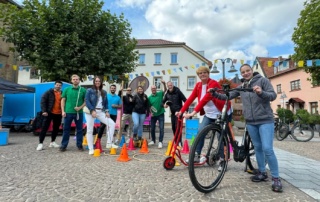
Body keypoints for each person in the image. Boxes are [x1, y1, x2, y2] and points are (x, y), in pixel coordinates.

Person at [209, 64, 282, 192]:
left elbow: (273, 95)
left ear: (252, 71)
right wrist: (214, 93)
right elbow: (228, 96)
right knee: (258, 148)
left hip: (265, 120)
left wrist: (261, 92)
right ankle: (262, 172)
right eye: (243, 72)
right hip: (250, 122)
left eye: (247, 71)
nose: (245, 73)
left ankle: (276, 178)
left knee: (267, 149)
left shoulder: (262, 80)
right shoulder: (242, 87)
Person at [176, 66, 227, 170]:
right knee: (200, 133)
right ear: (198, 75)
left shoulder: (213, 84)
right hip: (209, 115)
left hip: (220, 113)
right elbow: (190, 99)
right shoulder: (198, 85)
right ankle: (196, 156)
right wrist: (181, 111)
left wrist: (192, 113)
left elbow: (204, 100)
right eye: (200, 73)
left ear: (208, 73)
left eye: (205, 72)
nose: (202, 74)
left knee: (220, 136)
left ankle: (223, 160)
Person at [84, 76, 116, 154]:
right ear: (94, 82)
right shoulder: (89, 90)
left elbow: (105, 103)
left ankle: (109, 143)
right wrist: (92, 110)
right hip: (91, 112)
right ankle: (91, 148)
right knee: (90, 130)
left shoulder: (104, 92)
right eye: (96, 81)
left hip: (100, 111)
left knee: (112, 124)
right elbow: (87, 101)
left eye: (99, 81)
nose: (97, 82)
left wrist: (107, 111)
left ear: (101, 82)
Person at [60, 74, 86, 152]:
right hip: (68, 112)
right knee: (66, 129)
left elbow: (86, 101)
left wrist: (80, 108)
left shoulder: (83, 90)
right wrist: (63, 111)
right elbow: (63, 100)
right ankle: (63, 145)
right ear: (71, 80)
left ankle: (79, 145)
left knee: (79, 130)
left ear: (79, 80)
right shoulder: (67, 89)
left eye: (77, 79)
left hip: (79, 113)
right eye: (74, 79)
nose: (75, 80)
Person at [36, 81, 63, 151]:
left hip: (58, 113)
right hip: (49, 113)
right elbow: (43, 101)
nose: (58, 86)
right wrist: (44, 111)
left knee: (56, 128)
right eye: (57, 85)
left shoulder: (62, 93)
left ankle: (52, 142)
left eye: (60, 85)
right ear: (54, 85)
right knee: (44, 128)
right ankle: (40, 143)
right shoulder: (48, 92)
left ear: (61, 86)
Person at [162, 81, 187, 146]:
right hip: (173, 113)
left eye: (171, 85)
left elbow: (185, 100)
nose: (170, 87)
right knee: (173, 127)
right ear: (167, 86)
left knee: (178, 127)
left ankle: (179, 142)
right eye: (168, 86)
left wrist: (185, 110)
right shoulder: (167, 93)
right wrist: (164, 105)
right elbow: (162, 102)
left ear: (173, 85)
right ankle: (176, 142)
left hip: (179, 112)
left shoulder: (178, 91)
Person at [148, 80, 167, 148]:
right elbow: (149, 106)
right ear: (151, 90)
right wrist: (150, 113)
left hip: (161, 114)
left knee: (161, 128)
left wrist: (164, 84)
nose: (154, 89)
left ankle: (160, 142)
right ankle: (153, 140)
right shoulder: (149, 98)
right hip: (153, 115)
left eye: (154, 88)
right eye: (152, 89)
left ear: (156, 89)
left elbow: (165, 90)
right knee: (152, 129)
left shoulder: (160, 94)